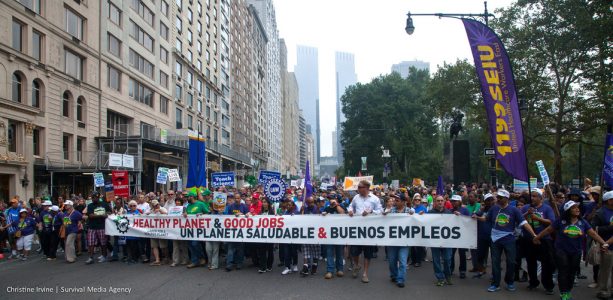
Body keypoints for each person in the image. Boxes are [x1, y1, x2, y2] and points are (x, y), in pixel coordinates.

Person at [535, 200, 608, 300]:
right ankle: (564, 292)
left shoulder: (583, 222)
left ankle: (568, 290)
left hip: (576, 251)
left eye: (577, 207)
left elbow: (593, 234)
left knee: (572, 272)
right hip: (561, 250)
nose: (577, 209)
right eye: (573, 208)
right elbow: (548, 230)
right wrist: (537, 237)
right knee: (563, 270)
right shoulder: (561, 221)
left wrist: (604, 243)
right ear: (568, 210)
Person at [476, 189, 538, 293]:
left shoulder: (514, 210)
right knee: (495, 262)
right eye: (498, 197)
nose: (498, 199)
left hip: (509, 239)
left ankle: (509, 281)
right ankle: (495, 283)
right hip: (495, 239)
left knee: (511, 262)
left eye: (500, 198)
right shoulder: (494, 209)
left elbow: (524, 223)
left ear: (506, 199)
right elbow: (486, 219)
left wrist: (534, 235)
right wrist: (477, 217)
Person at [520, 188, 556, 294]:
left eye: (535, 196)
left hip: (544, 240)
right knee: (531, 262)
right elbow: (519, 219)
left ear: (541, 198)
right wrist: (527, 213)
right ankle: (533, 282)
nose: (533, 198)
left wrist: (538, 219)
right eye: (532, 196)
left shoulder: (547, 208)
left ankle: (548, 285)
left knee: (547, 263)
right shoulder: (526, 207)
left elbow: (551, 222)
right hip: (529, 239)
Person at [348, 180, 383, 283]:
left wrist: (371, 212)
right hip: (357, 229)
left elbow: (381, 211)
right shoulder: (356, 197)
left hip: (369, 230)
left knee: (368, 253)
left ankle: (365, 273)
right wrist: (350, 210)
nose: (358, 189)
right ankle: (357, 265)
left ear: (367, 188)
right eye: (358, 187)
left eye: (360, 187)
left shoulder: (375, 199)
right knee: (354, 252)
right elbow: (351, 206)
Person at [384, 193, 411, 288]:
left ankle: (400, 279)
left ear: (403, 202)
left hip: (404, 242)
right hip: (393, 241)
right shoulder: (391, 211)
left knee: (403, 261)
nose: (395, 202)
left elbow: (417, 219)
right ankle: (394, 275)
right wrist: (385, 213)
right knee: (392, 261)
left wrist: (417, 215)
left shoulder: (409, 211)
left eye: (397, 200)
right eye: (395, 200)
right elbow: (384, 219)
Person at [429, 195, 454, 286]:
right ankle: (440, 277)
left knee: (447, 259)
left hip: (446, 242)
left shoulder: (449, 213)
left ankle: (448, 275)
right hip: (434, 241)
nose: (440, 202)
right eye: (438, 200)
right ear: (435, 202)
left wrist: (458, 217)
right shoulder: (430, 213)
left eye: (441, 200)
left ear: (444, 202)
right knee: (436, 260)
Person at [594, 191, 613, 299]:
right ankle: (603, 291)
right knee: (605, 270)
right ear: (609, 201)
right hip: (606, 246)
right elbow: (594, 229)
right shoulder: (600, 213)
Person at [322, 196, 345, 279]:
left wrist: (336, 205)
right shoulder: (327, 208)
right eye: (330, 199)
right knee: (329, 252)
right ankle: (329, 271)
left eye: (333, 199)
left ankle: (340, 269)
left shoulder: (341, 206)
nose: (331, 201)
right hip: (329, 233)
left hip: (339, 233)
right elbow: (322, 216)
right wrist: (324, 214)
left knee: (339, 252)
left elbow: (342, 213)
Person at [225, 193, 249, 272]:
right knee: (230, 248)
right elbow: (227, 217)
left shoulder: (244, 206)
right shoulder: (231, 206)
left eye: (238, 198)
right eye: (235, 198)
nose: (237, 199)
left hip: (241, 231)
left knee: (240, 248)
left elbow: (248, 215)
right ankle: (229, 264)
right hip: (232, 230)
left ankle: (239, 263)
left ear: (240, 198)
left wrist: (242, 215)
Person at [85, 193, 111, 264]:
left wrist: (106, 214)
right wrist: (102, 215)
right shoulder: (90, 205)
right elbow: (90, 215)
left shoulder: (104, 204)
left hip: (102, 226)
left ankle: (104, 255)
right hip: (92, 227)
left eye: (95, 197)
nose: (94, 199)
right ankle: (91, 257)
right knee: (91, 242)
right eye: (92, 198)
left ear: (98, 197)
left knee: (103, 242)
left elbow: (109, 212)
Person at [184, 192, 208, 269]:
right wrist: (184, 213)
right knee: (190, 245)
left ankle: (202, 257)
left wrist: (202, 214)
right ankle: (194, 261)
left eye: (188, 197)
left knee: (195, 244)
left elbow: (208, 213)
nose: (186, 198)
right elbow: (187, 214)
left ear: (192, 197)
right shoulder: (188, 205)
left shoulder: (201, 204)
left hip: (199, 229)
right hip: (189, 229)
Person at [473, 193, 494, 278]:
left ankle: (494, 273)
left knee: (494, 256)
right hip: (482, 236)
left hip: (493, 236)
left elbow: (487, 219)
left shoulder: (496, 210)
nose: (489, 202)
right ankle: (481, 270)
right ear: (484, 201)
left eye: (491, 200)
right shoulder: (481, 210)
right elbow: (474, 216)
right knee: (481, 255)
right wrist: (480, 210)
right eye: (487, 200)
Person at [450, 195, 470, 279]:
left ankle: (462, 271)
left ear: (459, 201)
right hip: (452, 235)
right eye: (453, 201)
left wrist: (461, 215)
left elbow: (469, 220)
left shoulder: (465, 210)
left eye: (455, 201)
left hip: (462, 235)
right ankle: (450, 269)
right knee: (451, 254)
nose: (454, 202)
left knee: (462, 254)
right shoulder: (450, 210)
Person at [300, 196, 321, 276]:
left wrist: (320, 211)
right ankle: (305, 268)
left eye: (311, 202)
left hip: (315, 233)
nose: (310, 204)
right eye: (308, 203)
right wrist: (301, 211)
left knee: (315, 251)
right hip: (306, 233)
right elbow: (299, 219)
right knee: (306, 250)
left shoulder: (317, 209)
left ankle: (314, 266)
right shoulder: (305, 209)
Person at [255, 198, 275, 273]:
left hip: (270, 234)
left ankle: (269, 266)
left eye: (265, 202)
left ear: (268, 204)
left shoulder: (272, 212)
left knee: (270, 251)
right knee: (262, 251)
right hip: (262, 234)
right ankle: (262, 267)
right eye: (263, 202)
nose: (264, 204)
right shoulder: (260, 212)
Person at [147, 200, 168, 266]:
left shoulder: (163, 208)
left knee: (163, 246)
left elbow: (167, 215)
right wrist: (147, 214)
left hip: (162, 230)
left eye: (157, 205)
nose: (156, 206)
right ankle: (157, 259)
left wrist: (160, 211)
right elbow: (145, 215)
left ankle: (166, 258)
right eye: (154, 205)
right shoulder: (151, 210)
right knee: (154, 245)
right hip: (153, 230)